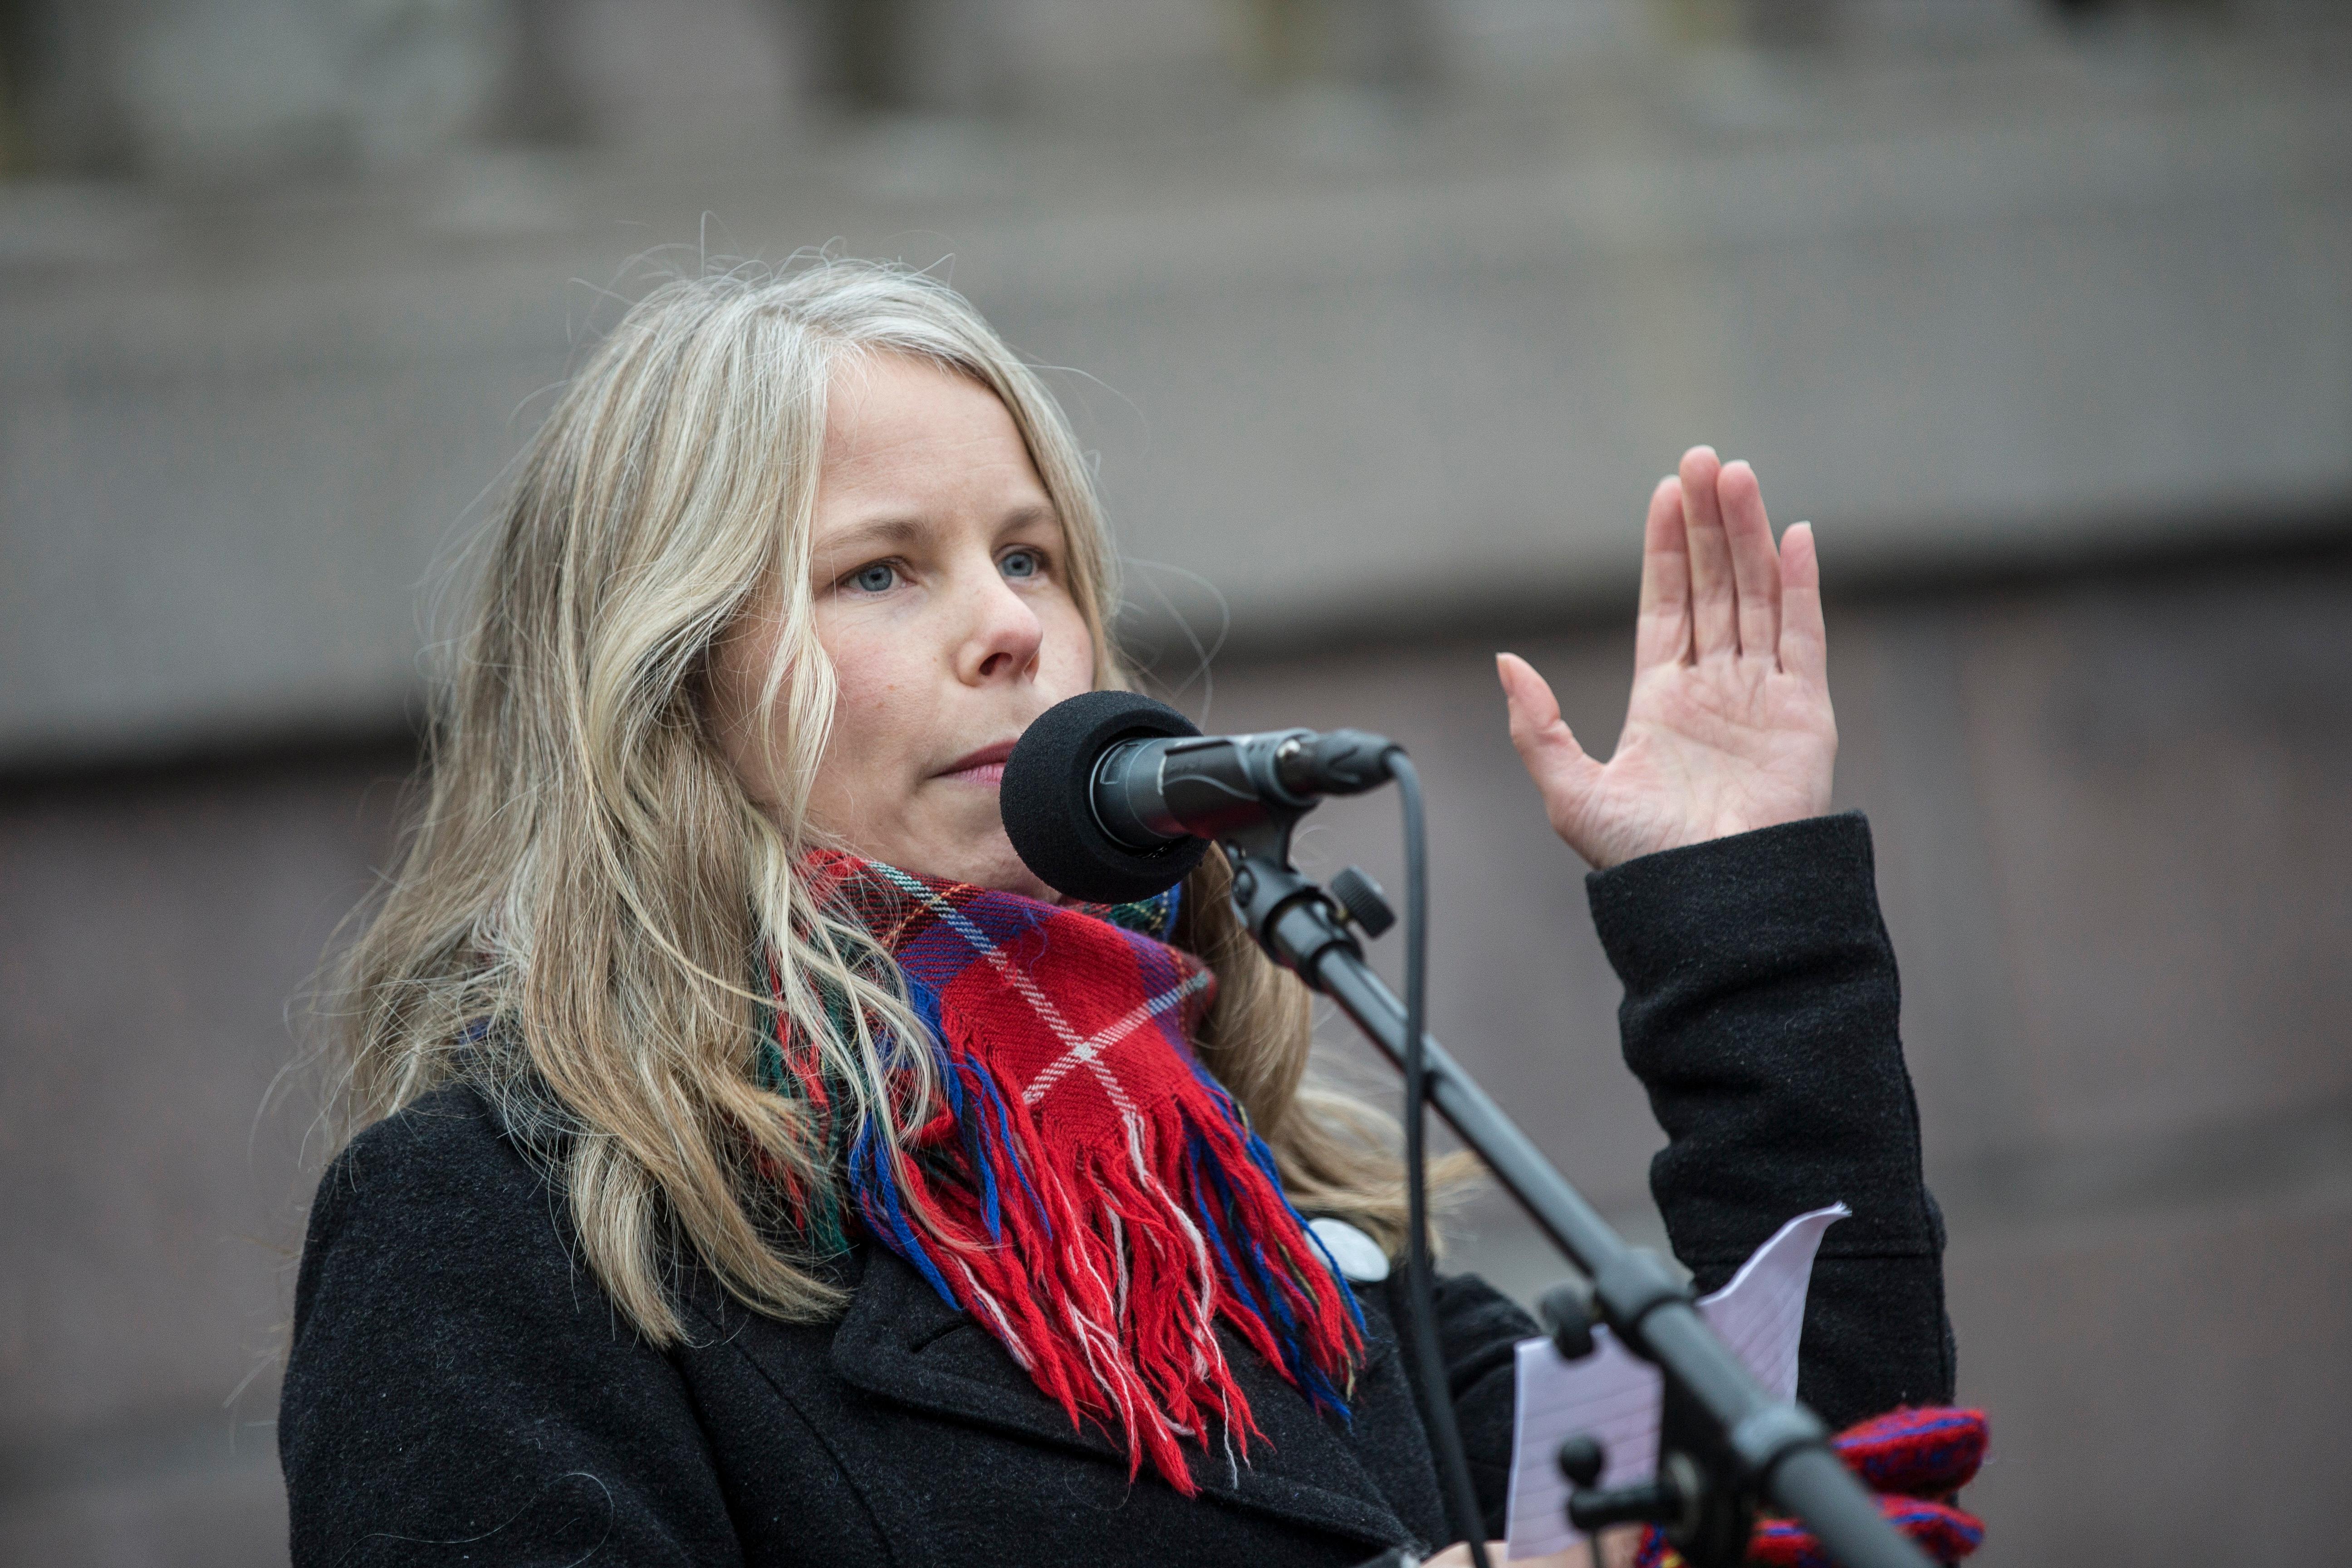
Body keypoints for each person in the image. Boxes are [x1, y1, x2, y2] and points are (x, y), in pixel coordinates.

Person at [281, 259, 1953, 1568]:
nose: (1010, 628)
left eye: (1031, 557)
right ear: (665, 687)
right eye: (882, 571)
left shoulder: (1253, 1214)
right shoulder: (498, 1222)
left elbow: (1839, 1494)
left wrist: (1734, 905)